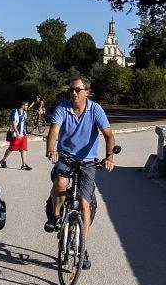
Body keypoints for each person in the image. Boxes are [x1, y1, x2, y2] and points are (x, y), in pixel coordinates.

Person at [44, 77, 116, 270]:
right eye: (71, 90)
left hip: (88, 162)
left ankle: (82, 248)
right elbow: (54, 130)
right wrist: (51, 148)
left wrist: (109, 157)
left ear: (87, 92)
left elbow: (109, 135)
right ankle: (56, 215)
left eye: (78, 89)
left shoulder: (95, 110)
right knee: (60, 182)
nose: (73, 93)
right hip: (66, 157)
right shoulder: (62, 108)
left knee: (85, 203)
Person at [0, 99, 33, 170]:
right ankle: (3, 160)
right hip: (15, 134)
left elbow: (23, 124)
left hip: (23, 134)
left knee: (24, 148)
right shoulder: (15, 112)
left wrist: (25, 133)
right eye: (26, 105)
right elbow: (13, 123)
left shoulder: (25, 113)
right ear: (22, 105)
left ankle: (24, 164)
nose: (27, 106)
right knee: (11, 148)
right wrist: (17, 133)